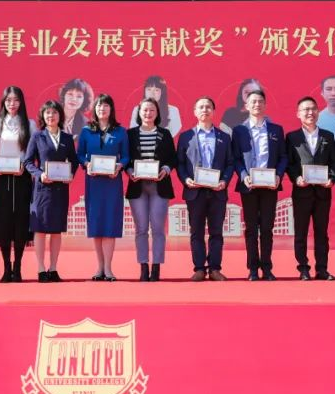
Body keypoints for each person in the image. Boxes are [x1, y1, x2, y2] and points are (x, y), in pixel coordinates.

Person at [231, 89, 287, 281]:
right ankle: (253, 268)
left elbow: (283, 156)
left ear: (265, 105)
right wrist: (243, 175)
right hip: (249, 186)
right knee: (251, 229)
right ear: (246, 106)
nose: (257, 105)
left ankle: (267, 268)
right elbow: (236, 158)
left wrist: (278, 175)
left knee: (267, 228)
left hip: (270, 186)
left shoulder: (276, 130)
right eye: (253, 101)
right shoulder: (239, 131)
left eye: (260, 101)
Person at [177, 96, 234, 282]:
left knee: (216, 232)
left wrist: (225, 181)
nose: (205, 110)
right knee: (196, 232)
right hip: (195, 192)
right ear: (195, 112)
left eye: (208, 107)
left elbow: (230, 163)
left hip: (218, 191)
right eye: (201, 107)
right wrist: (186, 179)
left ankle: (215, 269)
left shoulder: (224, 137)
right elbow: (180, 163)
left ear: (213, 111)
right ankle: (200, 268)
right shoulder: (186, 137)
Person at [23, 100, 79, 282]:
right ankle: (41, 269)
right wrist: (40, 175)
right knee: (39, 230)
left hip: (60, 190)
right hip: (42, 189)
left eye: (54, 112)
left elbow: (74, 161)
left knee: (56, 230)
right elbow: (28, 162)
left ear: (60, 115)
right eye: (47, 113)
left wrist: (70, 174)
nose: (51, 116)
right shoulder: (37, 137)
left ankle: (53, 268)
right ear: (43, 116)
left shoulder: (67, 138)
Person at [77, 94, 130, 281]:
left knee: (109, 224)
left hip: (112, 183)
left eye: (106, 106)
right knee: (96, 224)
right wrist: (86, 164)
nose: (102, 109)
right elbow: (80, 155)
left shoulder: (120, 131)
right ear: (94, 109)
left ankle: (108, 268)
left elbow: (126, 156)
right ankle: (99, 267)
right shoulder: (86, 131)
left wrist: (119, 166)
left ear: (111, 109)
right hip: (93, 183)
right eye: (99, 106)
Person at [286, 96, 335, 281]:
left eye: (313, 109)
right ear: (298, 114)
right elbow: (290, 163)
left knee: (321, 233)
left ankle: (322, 269)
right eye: (305, 110)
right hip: (302, 192)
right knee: (300, 233)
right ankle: (303, 268)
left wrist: (332, 178)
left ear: (318, 112)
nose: (310, 113)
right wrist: (296, 178)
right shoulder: (292, 137)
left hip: (323, 192)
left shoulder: (328, 136)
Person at [0, 86, 36, 282]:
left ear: (21, 102)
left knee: (21, 222)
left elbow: (31, 152)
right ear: (3, 102)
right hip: (1, 177)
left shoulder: (29, 124)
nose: (12, 104)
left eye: (15, 100)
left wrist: (25, 165)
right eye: (8, 100)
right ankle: (7, 267)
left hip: (22, 176)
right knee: (4, 222)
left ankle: (18, 266)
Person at [127, 98, 177, 282]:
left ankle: (156, 267)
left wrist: (166, 169)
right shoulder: (130, 134)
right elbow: (124, 158)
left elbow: (173, 158)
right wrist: (129, 171)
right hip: (137, 186)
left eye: (152, 110)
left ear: (157, 113)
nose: (148, 113)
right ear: (139, 113)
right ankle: (143, 266)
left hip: (159, 186)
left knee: (157, 228)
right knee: (141, 228)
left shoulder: (165, 133)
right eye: (145, 110)